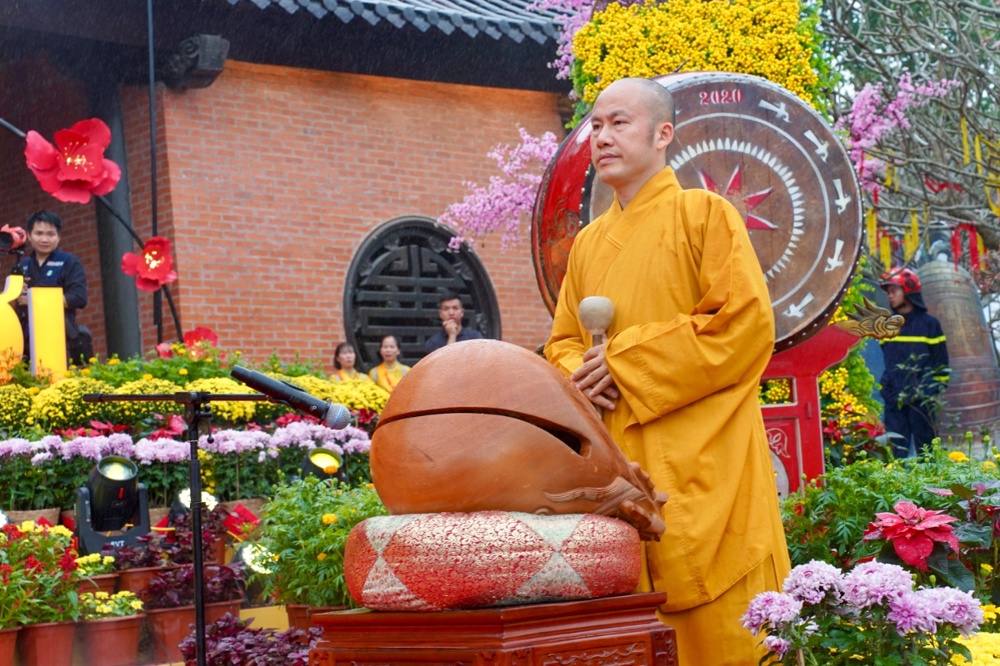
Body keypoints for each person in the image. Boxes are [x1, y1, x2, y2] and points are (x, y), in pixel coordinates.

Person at [544, 78, 789, 665]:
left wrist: (624, 361)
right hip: (619, 469)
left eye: (619, 122)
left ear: (662, 134)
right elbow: (563, 343)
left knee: (727, 631)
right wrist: (582, 371)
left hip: (704, 461)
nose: (602, 137)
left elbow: (743, 325)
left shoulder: (705, 215)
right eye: (595, 126)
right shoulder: (588, 244)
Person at [878, 267, 950, 457]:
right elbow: (888, 361)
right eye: (888, 292)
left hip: (922, 402)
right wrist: (889, 388)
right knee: (896, 456)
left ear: (908, 291)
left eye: (894, 291)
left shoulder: (930, 325)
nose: (890, 296)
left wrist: (930, 392)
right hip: (894, 401)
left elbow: (941, 363)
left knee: (928, 455)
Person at [13, 210, 91, 363]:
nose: (44, 239)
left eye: (50, 234)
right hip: (24, 341)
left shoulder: (69, 262)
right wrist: (16, 293)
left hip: (58, 338)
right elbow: (11, 305)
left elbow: (78, 298)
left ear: (59, 237)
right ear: (29, 235)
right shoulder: (22, 265)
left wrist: (35, 300)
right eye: (39, 233)